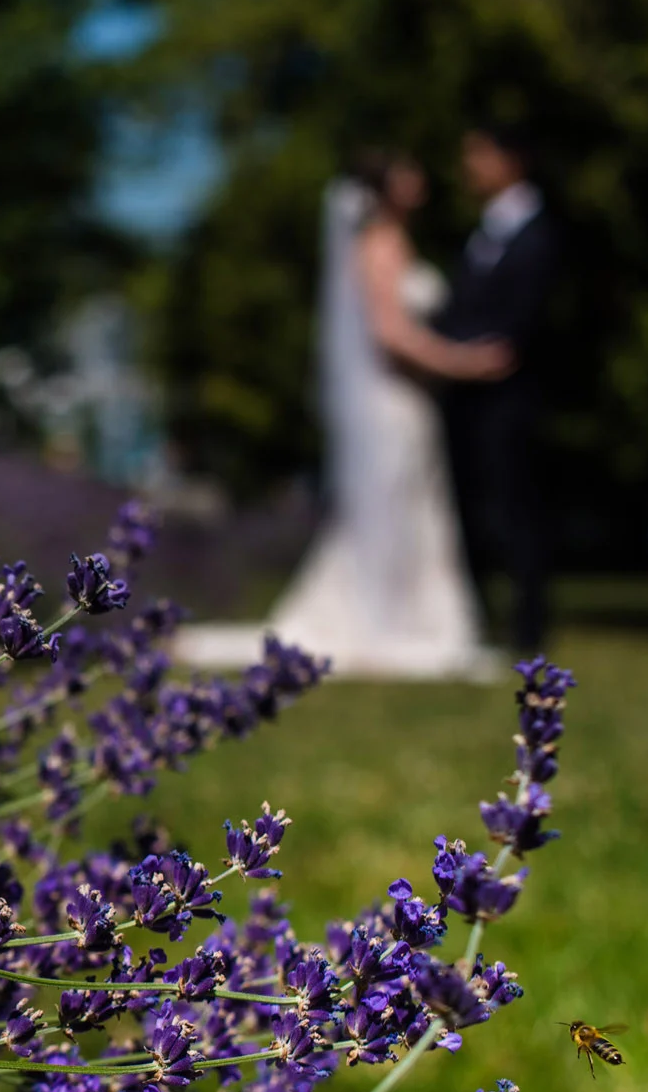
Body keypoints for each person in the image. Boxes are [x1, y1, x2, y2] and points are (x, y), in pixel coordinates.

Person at [176, 151, 510, 679]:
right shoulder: (377, 244)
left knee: (410, 512)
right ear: (386, 188)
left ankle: (407, 618)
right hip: (392, 402)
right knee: (391, 508)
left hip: (408, 400)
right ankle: (386, 621)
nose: (421, 177)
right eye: (409, 170)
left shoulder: (393, 241)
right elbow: (391, 333)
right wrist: (465, 363)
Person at [437, 125, 560, 653]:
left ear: (512, 161)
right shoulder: (482, 232)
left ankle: (528, 627)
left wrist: (485, 355)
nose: (469, 166)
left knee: (516, 510)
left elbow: (525, 317)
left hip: (511, 396)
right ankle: (479, 621)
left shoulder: (539, 232)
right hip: (468, 393)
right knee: (471, 509)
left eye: (478, 155)